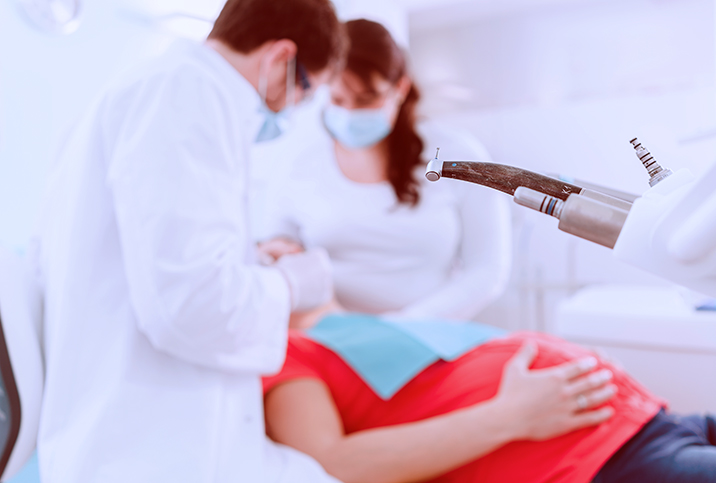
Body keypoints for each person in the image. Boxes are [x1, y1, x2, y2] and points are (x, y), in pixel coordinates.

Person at [34, 1, 346, 482]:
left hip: (155, 433)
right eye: (305, 91)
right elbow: (192, 304)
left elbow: (153, 261)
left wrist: (253, 264)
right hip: (150, 449)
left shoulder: (158, 87)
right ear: (280, 56)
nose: (295, 110)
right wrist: (291, 284)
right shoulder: (187, 92)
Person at [263, 308, 716, 483]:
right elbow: (330, 464)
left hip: (644, 419)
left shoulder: (334, 324)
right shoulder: (283, 352)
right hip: (593, 458)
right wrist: (512, 415)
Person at [258, 19, 511, 321]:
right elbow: (274, 251)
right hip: (329, 337)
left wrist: (400, 329)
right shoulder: (298, 165)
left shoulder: (458, 156)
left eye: (367, 99)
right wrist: (272, 254)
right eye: (338, 99)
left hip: (428, 340)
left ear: (400, 88)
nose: (350, 112)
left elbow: (487, 271)